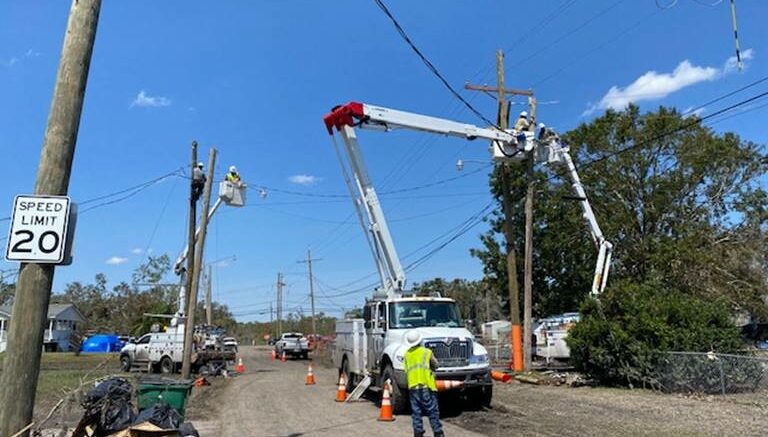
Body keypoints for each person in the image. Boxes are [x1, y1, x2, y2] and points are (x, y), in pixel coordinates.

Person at [404, 330, 443, 437]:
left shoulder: (407, 355)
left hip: (413, 387)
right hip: (426, 386)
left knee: (416, 412)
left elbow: (406, 370)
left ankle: (418, 433)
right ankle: (438, 432)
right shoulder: (426, 352)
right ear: (419, 340)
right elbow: (436, 365)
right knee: (432, 411)